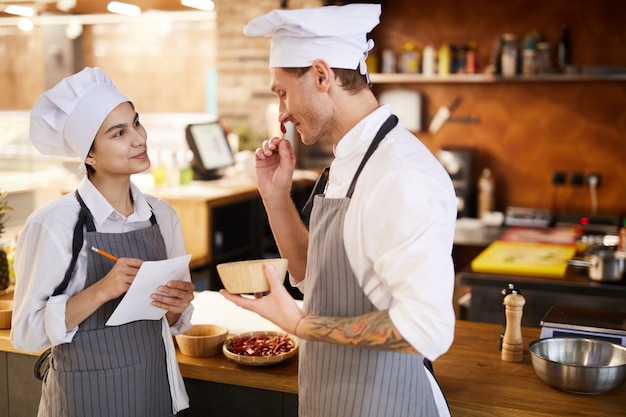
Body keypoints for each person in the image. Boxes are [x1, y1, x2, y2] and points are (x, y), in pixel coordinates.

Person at [220, 4, 457, 417]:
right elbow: (317, 276)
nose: (282, 113)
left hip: (386, 403)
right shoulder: (350, 159)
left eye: (282, 92)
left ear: (321, 75)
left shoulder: (399, 173)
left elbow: (427, 330)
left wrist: (299, 325)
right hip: (332, 398)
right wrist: (276, 197)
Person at [10, 67, 195, 417]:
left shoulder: (162, 215)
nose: (139, 138)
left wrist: (177, 304)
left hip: (153, 390)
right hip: (84, 398)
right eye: (119, 132)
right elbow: (26, 333)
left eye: (136, 123)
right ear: (89, 156)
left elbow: (170, 321)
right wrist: (101, 290)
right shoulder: (53, 223)